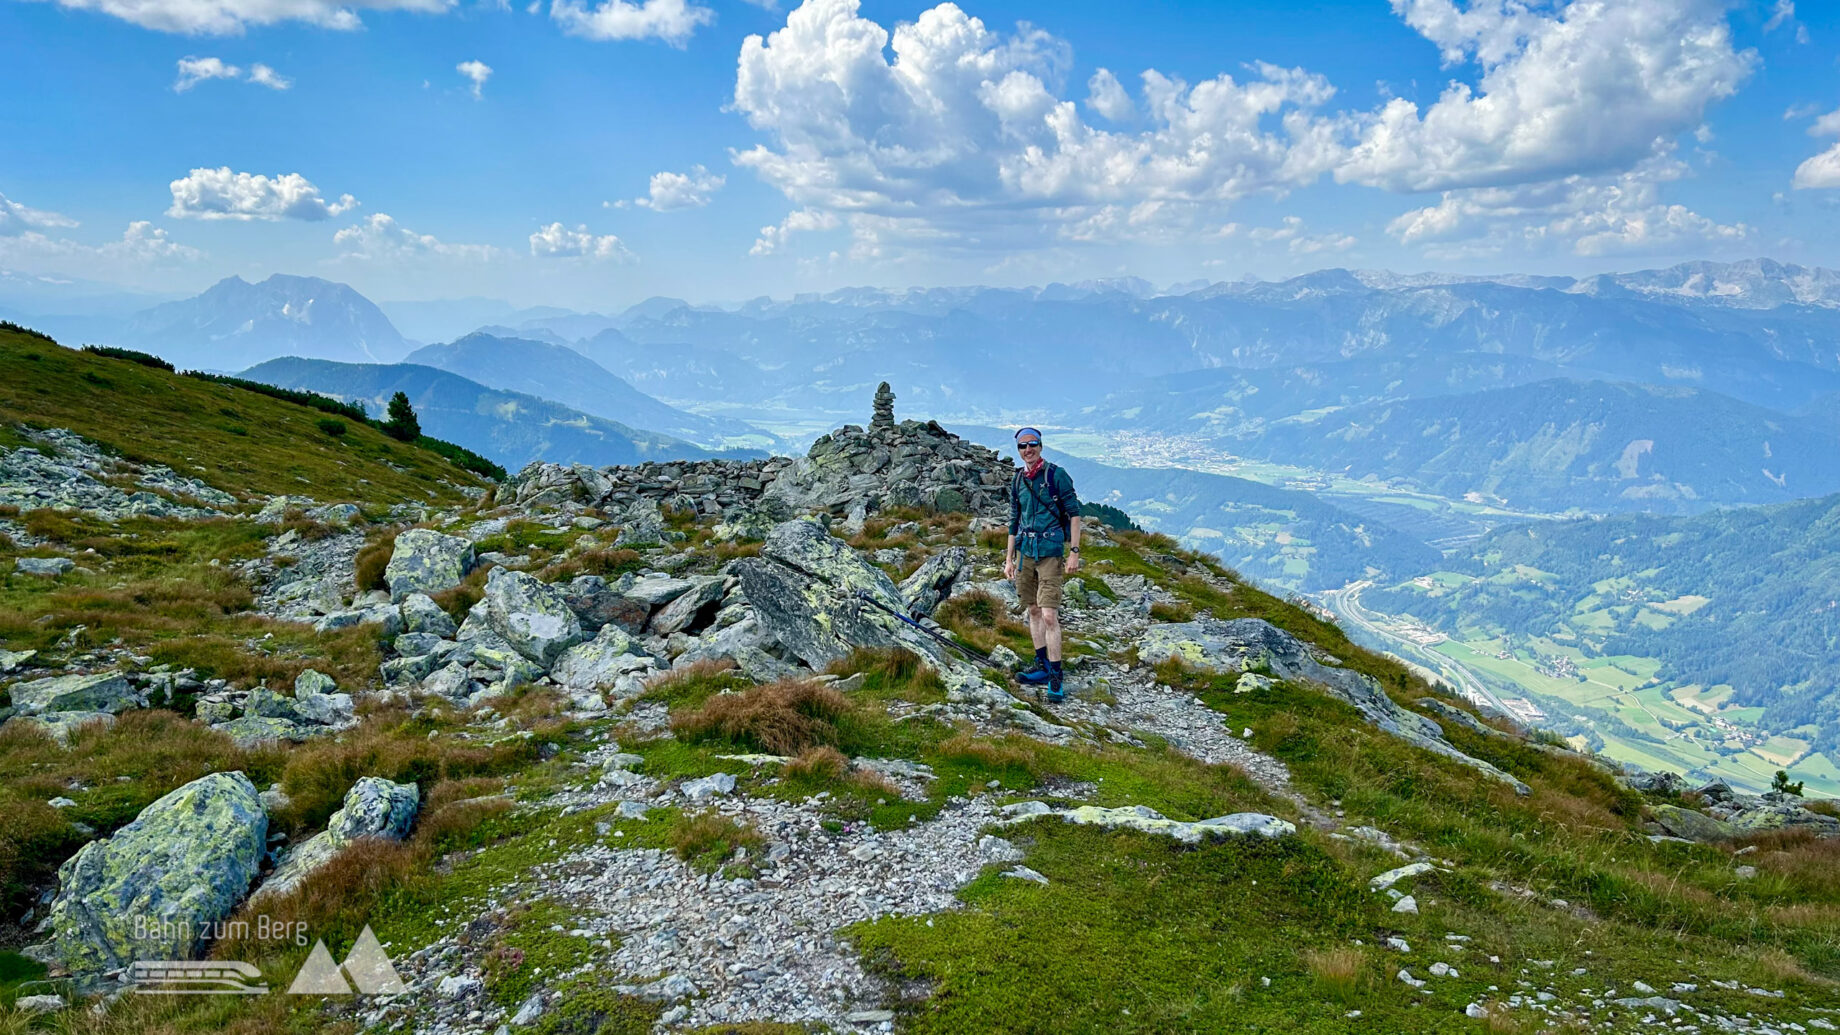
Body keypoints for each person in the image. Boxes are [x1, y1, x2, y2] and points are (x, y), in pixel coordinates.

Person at [1003, 426, 1081, 702]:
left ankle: (1056, 675)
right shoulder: (1017, 480)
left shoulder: (1055, 475)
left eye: (1032, 444)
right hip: (1025, 552)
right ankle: (1042, 666)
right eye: (1022, 446)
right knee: (1033, 610)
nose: (1028, 450)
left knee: (1049, 614)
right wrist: (1009, 558)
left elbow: (1073, 514)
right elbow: (1014, 520)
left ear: (1041, 445)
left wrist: (1074, 551)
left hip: (1050, 553)